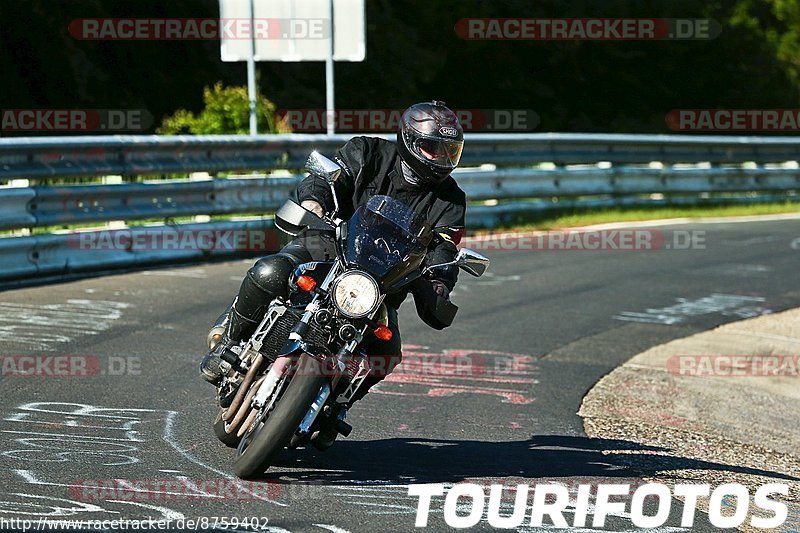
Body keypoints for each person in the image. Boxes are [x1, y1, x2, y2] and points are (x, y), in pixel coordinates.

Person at [200, 100, 467, 442]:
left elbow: (445, 247)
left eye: (449, 151)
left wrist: (440, 281)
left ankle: (337, 405)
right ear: (409, 139)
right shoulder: (367, 151)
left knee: (387, 351)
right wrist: (314, 202)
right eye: (432, 148)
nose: (439, 159)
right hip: (328, 246)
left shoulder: (451, 199)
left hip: (382, 284)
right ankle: (230, 344)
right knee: (271, 270)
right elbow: (322, 180)